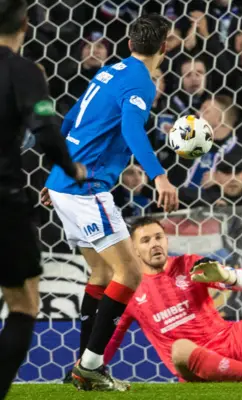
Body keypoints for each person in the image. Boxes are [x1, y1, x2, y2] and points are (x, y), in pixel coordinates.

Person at [41, 14, 179, 391]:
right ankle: (91, 365)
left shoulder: (111, 71)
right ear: (164, 48)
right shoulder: (141, 83)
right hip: (86, 189)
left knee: (102, 275)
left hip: (64, 183)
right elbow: (133, 129)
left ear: (129, 43)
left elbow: (69, 118)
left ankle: (82, 369)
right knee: (131, 273)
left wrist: (57, 172)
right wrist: (160, 175)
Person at [103, 217, 242, 382]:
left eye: (158, 237)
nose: (154, 244)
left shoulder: (190, 264)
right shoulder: (128, 289)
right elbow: (110, 337)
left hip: (231, 340)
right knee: (180, 349)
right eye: (146, 240)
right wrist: (87, 366)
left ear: (166, 240)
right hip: (195, 365)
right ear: (135, 250)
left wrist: (226, 276)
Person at [0, 1, 86, 398]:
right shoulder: (23, 71)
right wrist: (72, 170)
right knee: (23, 304)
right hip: (5, 200)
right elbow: (46, 131)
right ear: (25, 24)